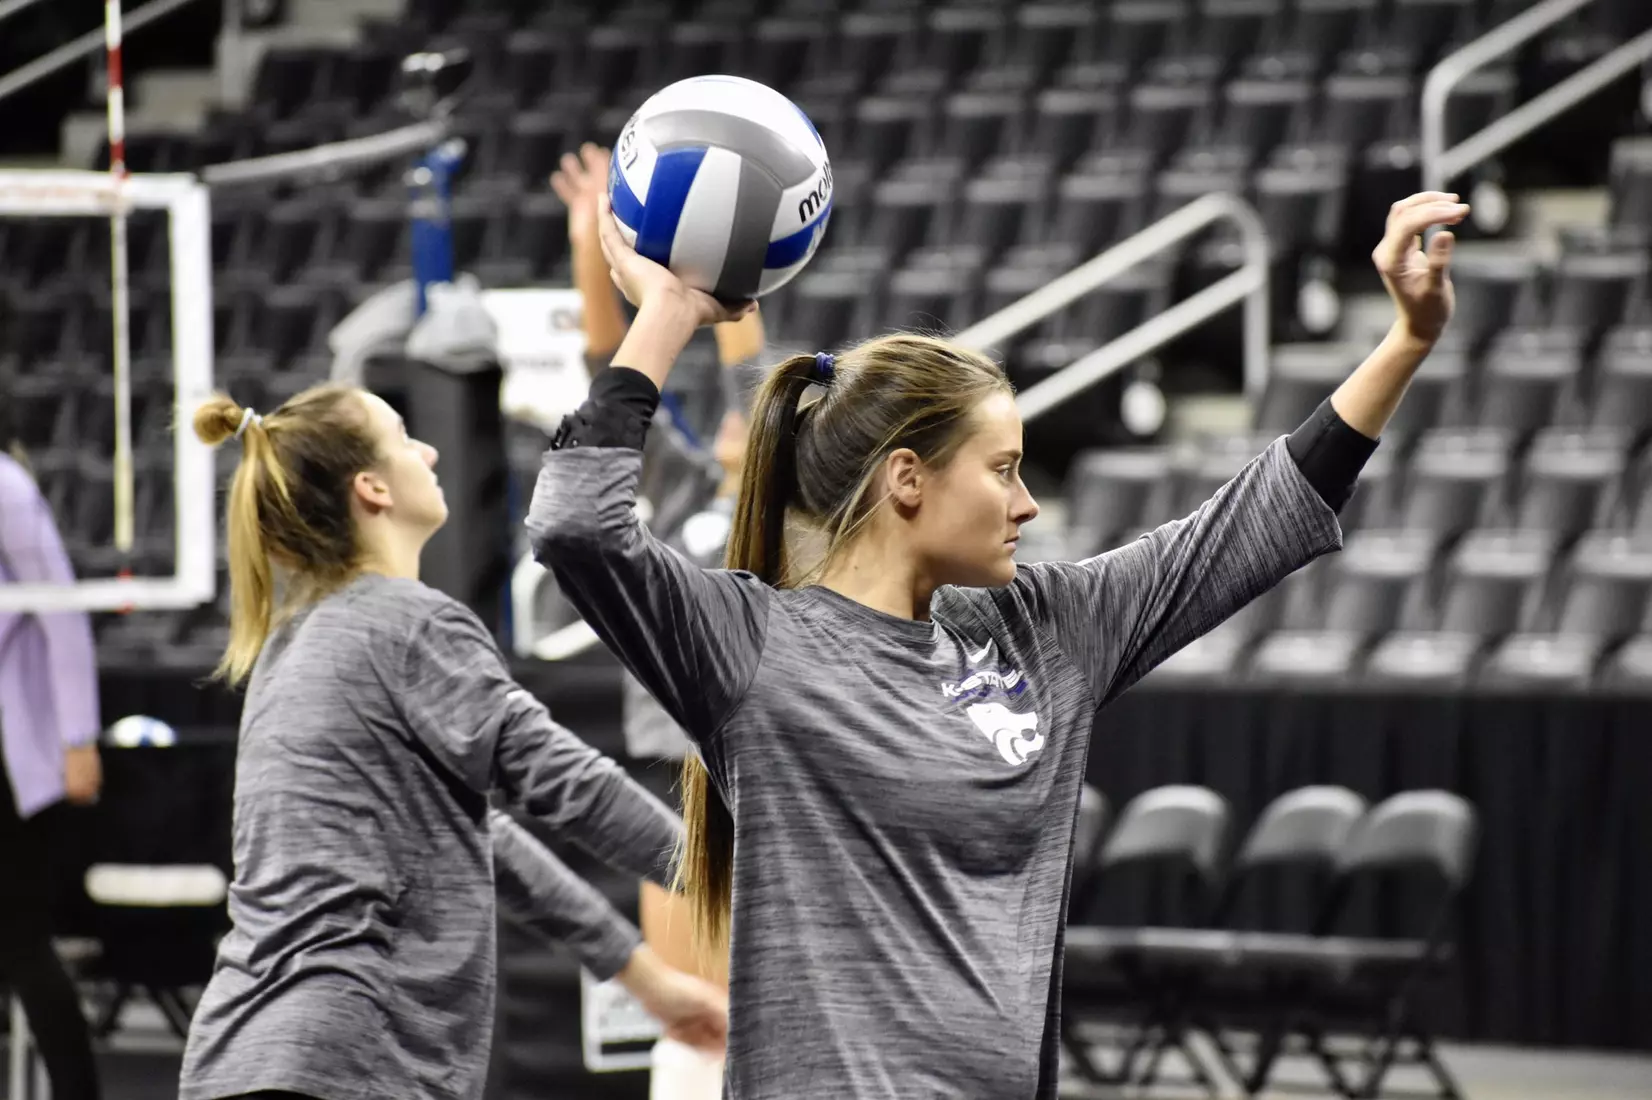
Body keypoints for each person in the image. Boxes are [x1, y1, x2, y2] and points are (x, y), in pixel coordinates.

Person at [526, 189, 1470, 1098]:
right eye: (1004, 470)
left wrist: (1407, 341)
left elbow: (1249, 523)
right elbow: (575, 525)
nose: (1027, 504)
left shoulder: (1045, 631)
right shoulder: (754, 646)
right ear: (907, 480)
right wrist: (671, 311)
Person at [176, 383, 727, 1100]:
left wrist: (646, 978)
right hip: (351, 1058)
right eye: (405, 436)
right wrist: (739, 876)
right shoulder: (408, 622)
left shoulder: (290, 647)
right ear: (372, 489)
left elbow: (486, 842)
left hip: (239, 1058)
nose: (429, 450)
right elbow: (568, 783)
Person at [553, 141, 766, 1100]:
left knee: (757, 1006)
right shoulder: (679, 490)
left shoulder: (790, 511)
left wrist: (732, 263)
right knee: (691, 1011)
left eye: (749, 426)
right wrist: (588, 246)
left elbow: (755, 389)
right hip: (666, 762)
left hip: (756, 764)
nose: (732, 429)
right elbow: (610, 371)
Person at [0, 430, 103, 1100]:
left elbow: (62, 614)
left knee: (20, 943)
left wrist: (78, 738)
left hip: (7, 759)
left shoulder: (6, 486)